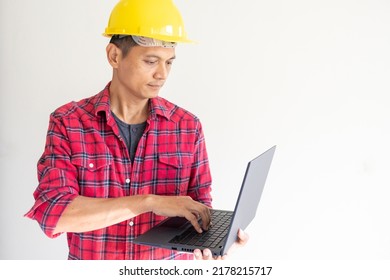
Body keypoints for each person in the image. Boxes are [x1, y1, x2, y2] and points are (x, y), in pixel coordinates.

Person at [25, 0, 248, 260]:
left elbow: (200, 207)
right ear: (114, 56)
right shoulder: (69, 123)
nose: (162, 74)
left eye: (169, 63)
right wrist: (149, 202)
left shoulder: (187, 127)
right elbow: (55, 214)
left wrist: (216, 240)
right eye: (151, 61)